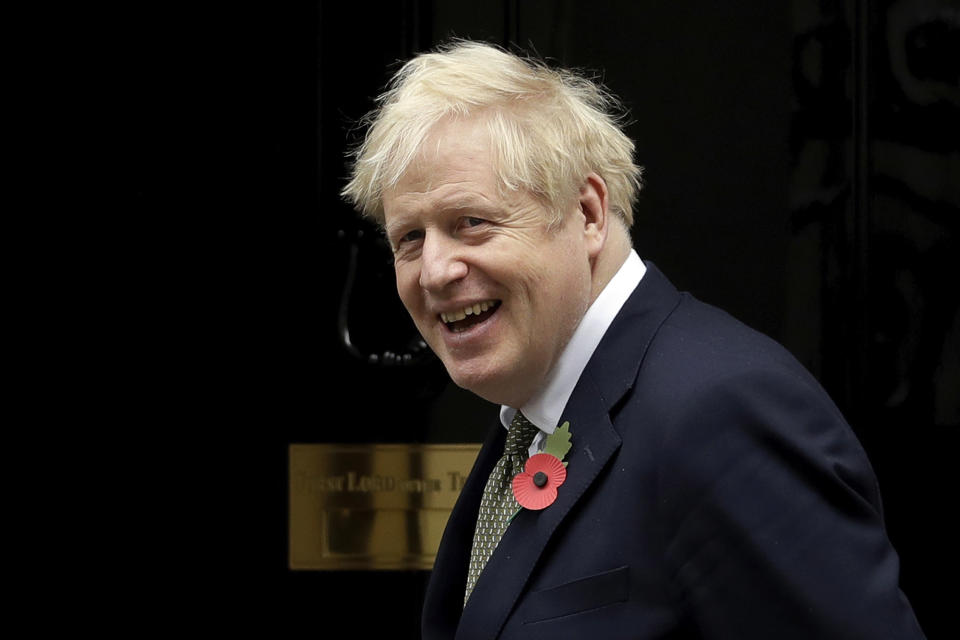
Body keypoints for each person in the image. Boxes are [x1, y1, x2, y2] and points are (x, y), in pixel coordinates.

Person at [342, 40, 925, 640]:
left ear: (588, 213)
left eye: (472, 222)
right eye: (409, 238)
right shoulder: (536, 412)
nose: (434, 270)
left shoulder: (722, 411)